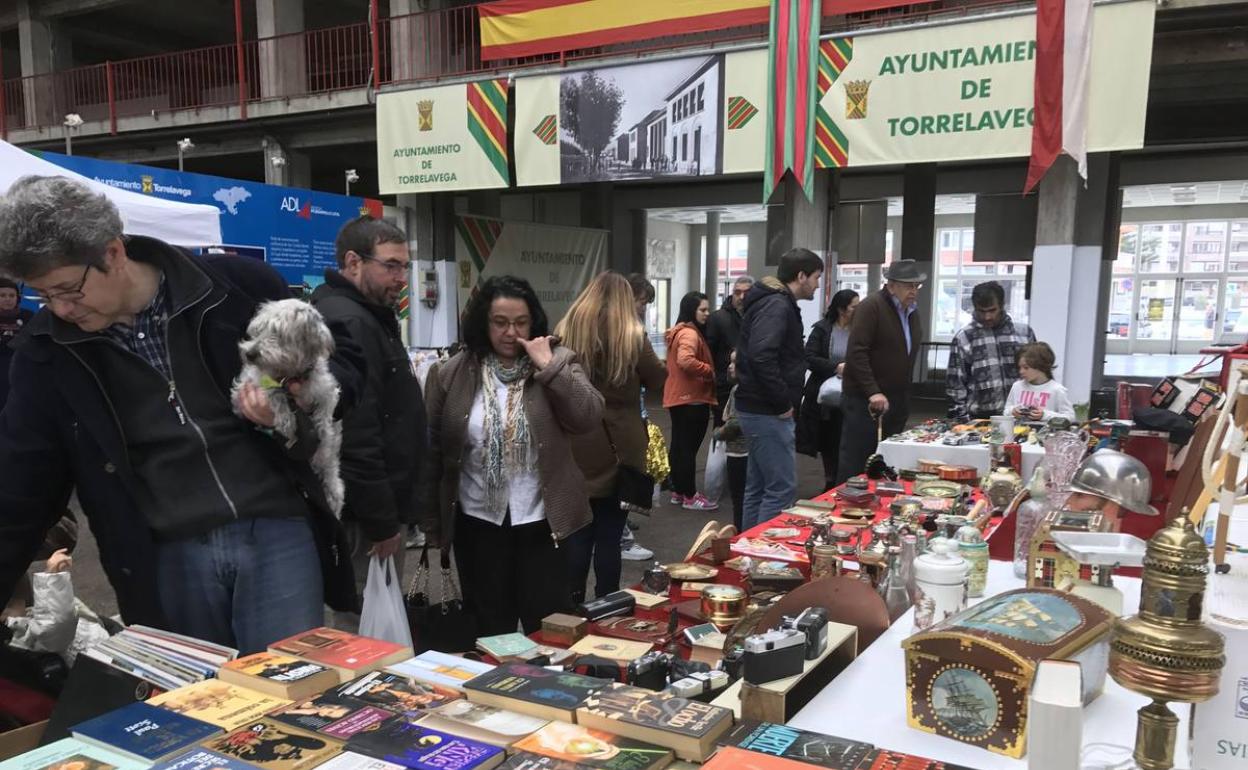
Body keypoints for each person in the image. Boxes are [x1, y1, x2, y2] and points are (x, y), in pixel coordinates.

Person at [0, 176, 363, 653]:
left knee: (288, 694)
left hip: (277, 529)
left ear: (112, 252)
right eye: (43, 296)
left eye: (69, 289)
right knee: (196, 712)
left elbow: (344, 364)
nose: (61, 309)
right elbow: (22, 487)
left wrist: (295, 393)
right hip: (162, 555)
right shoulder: (45, 353)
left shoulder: (237, 285)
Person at [420, 275, 603, 635]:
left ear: (533, 323)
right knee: (490, 630)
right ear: (482, 323)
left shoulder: (559, 362)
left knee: (551, 630)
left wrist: (549, 367)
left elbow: (589, 416)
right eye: (500, 322)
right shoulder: (450, 373)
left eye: (520, 322)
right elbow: (434, 453)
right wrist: (432, 524)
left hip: (543, 523)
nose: (510, 332)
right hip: (478, 524)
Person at [311, 215, 426, 591]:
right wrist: (382, 521)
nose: (402, 278)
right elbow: (356, 432)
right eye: (390, 266)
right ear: (353, 262)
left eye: (404, 266)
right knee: (368, 634)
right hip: (363, 520)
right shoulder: (351, 322)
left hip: (366, 511)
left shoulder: (366, 317)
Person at [556, 272, 666, 603]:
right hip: (621, 445)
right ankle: (607, 605)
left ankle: (571, 604)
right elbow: (659, 379)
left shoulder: (566, 332)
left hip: (575, 443)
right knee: (610, 536)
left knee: (576, 532)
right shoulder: (632, 336)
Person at [735, 248, 823, 529]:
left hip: (758, 407)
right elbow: (762, 355)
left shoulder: (772, 302)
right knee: (780, 490)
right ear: (801, 276)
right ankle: (765, 559)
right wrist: (783, 403)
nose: (818, 284)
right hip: (767, 411)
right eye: (816, 277)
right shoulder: (777, 305)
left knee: (759, 487)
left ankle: (747, 553)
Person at [838, 259, 925, 486]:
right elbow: (857, 353)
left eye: (917, 286)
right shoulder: (871, 306)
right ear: (891, 285)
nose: (913, 291)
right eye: (909, 285)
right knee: (859, 460)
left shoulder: (912, 312)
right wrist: (872, 391)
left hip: (897, 397)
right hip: (865, 400)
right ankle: (847, 507)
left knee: (888, 460)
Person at [946, 280, 1036, 423]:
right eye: (982, 311)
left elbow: (1038, 373)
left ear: (1002, 306)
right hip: (980, 418)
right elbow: (955, 385)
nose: (987, 317)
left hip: (1021, 415)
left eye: (992, 310)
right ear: (974, 308)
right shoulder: (964, 337)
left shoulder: (1024, 333)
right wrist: (961, 420)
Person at [797, 289, 860, 491]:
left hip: (852, 392)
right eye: (854, 306)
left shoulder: (859, 329)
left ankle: (844, 479)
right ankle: (831, 480)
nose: (858, 310)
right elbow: (810, 357)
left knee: (848, 438)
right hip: (825, 396)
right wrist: (836, 367)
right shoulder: (823, 329)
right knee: (828, 441)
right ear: (842, 309)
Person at [663, 291, 717, 511]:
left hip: (678, 398)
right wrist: (709, 371)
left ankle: (678, 491)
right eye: (702, 310)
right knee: (687, 448)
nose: (707, 313)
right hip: (691, 399)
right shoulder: (690, 334)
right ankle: (690, 495)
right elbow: (685, 360)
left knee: (679, 446)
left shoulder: (679, 332)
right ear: (691, 311)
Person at [620, 273, 658, 562]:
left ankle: (620, 531)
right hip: (625, 416)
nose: (644, 307)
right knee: (625, 477)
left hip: (627, 413)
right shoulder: (628, 331)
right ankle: (621, 538)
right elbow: (656, 375)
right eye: (642, 301)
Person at [706, 275, 755, 425]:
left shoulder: (759, 317)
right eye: (737, 292)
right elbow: (709, 353)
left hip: (752, 385)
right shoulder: (718, 318)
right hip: (724, 386)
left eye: (746, 292)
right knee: (722, 429)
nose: (741, 296)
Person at [713, 350, 749, 532]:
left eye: (735, 363)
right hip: (748, 451)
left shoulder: (739, 390)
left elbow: (735, 423)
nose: (730, 366)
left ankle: (740, 533)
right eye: (730, 362)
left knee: (739, 499)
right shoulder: (749, 388)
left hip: (739, 451)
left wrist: (718, 433)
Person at [1002, 342, 1076, 422]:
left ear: (1041, 366)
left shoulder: (1057, 390)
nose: (1021, 371)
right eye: (1019, 367)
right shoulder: (1017, 386)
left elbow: (1070, 417)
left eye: (1026, 368)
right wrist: (1012, 411)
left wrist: (1044, 415)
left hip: (1046, 434)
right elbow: (1006, 411)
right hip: (1018, 433)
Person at [0, 278, 34, 410]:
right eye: (2, 295)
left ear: (17, 298)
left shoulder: (28, 316)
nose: (8, 299)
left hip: (22, 368)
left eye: (11, 295)